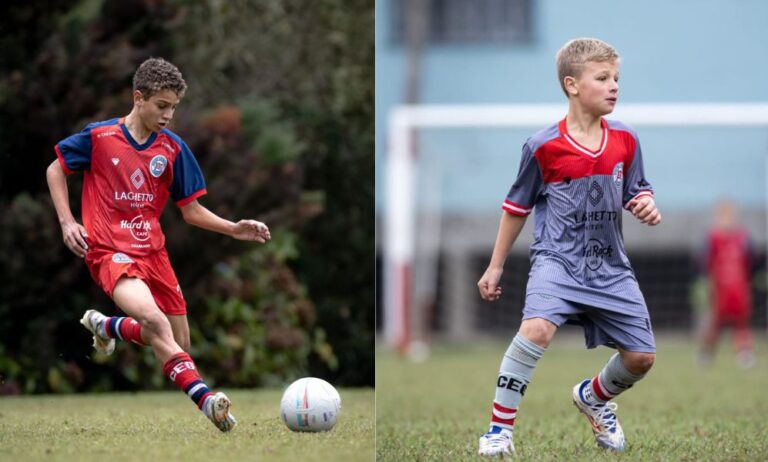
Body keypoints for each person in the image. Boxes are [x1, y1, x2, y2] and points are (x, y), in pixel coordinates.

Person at [46, 57, 271, 432]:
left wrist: (233, 229)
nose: (168, 115)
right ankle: (207, 401)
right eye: (161, 106)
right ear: (138, 98)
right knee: (154, 322)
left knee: (177, 341)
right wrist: (68, 222)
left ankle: (108, 327)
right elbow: (55, 169)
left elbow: (191, 211)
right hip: (109, 251)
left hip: (154, 254)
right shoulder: (100, 137)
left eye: (173, 108)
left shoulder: (172, 149)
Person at [475, 38, 661, 456]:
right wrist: (495, 266)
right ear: (571, 85)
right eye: (603, 78)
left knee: (641, 358)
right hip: (556, 261)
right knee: (536, 329)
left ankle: (593, 397)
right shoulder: (542, 146)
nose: (614, 86)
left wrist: (645, 203)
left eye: (616, 78)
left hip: (610, 267)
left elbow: (637, 189)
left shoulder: (626, 139)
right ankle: (498, 432)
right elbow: (516, 208)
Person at [698, 200, 755, 368]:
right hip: (719, 288)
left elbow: (751, 262)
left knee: (741, 323)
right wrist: (709, 284)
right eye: (722, 215)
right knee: (715, 323)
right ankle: (706, 353)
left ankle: (745, 354)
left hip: (739, 288)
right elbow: (705, 264)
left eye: (729, 215)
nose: (726, 219)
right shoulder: (712, 238)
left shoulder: (742, 238)